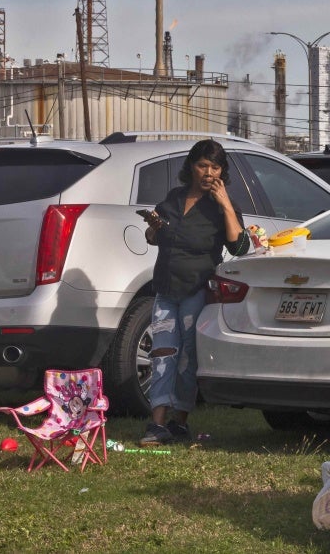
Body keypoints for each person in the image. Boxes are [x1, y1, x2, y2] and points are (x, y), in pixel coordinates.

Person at [138, 139, 250, 446]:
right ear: (191, 167)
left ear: (222, 171)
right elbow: (154, 237)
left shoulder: (222, 207)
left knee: (187, 357)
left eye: (215, 167)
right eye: (203, 165)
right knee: (162, 353)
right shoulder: (173, 199)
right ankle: (157, 423)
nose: (209, 173)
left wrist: (225, 203)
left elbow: (239, 247)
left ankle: (179, 421)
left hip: (197, 291)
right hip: (165, 289)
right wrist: (153, 228)